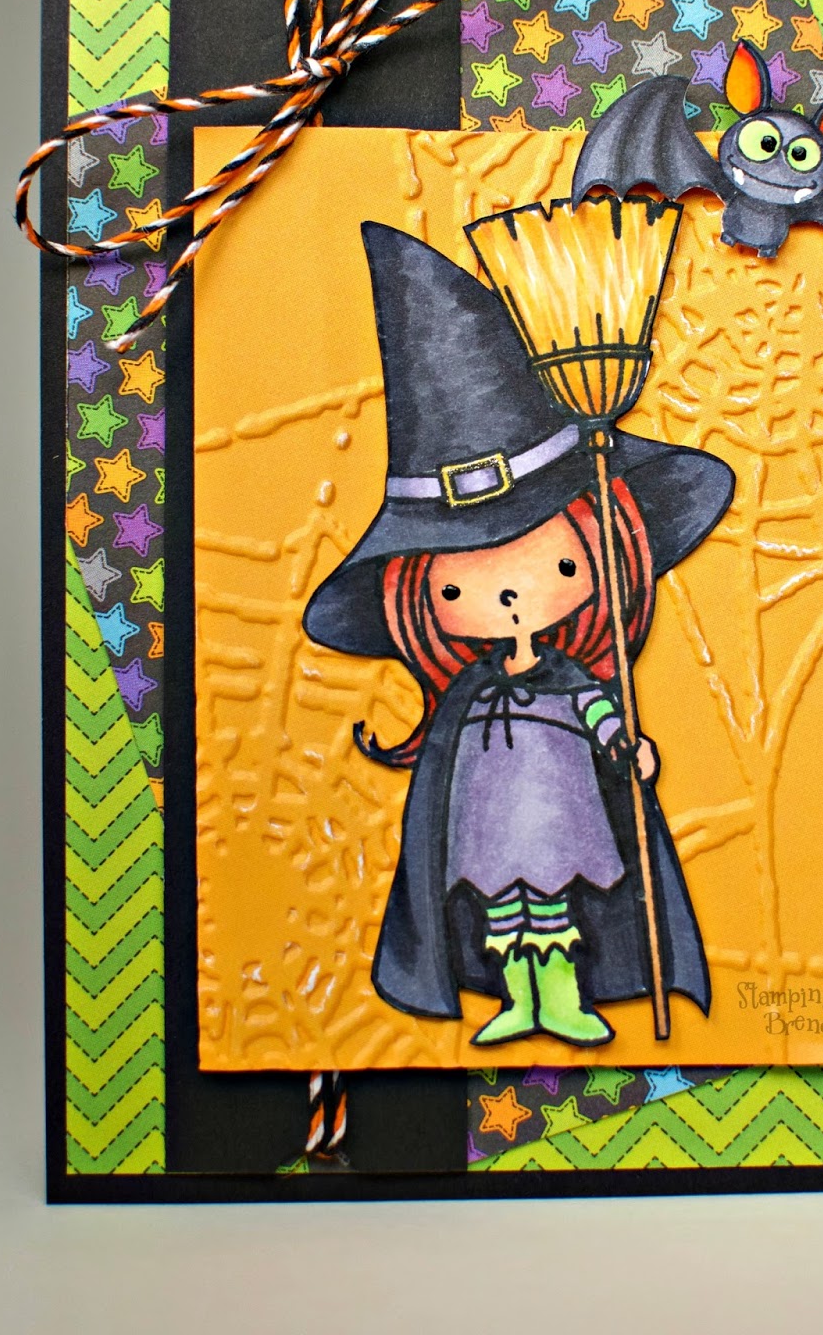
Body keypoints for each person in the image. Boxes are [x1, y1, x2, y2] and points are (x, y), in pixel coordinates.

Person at [303, 221, 734, 1046]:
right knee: (503, 907)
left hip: (563, 810)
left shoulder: (573, 678)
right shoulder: (463, 699)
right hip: (489, 821)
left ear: (605, 549)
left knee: (556, 906)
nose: (506, 600)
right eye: (457, 586)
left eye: (557, 564)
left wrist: (627, 745)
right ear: (416, 594)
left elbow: (600, 712)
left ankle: (561, 997)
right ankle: (519, 999)